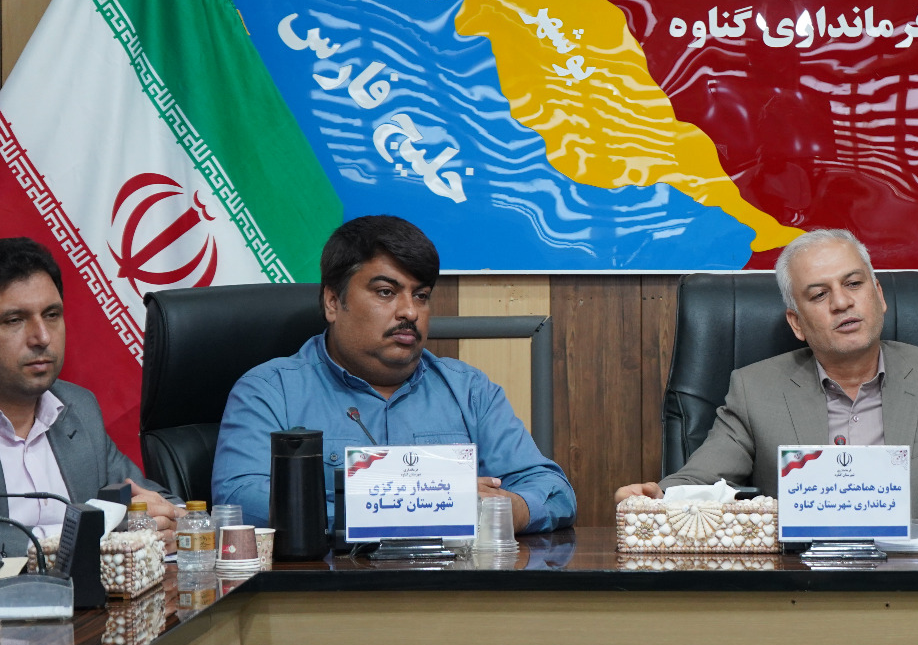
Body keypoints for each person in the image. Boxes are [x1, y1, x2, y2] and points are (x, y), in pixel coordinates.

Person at [615, 230, 918, 531]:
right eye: (819, 295)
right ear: (797, 323)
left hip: (914, 586)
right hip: (799, 590)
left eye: (853, 284)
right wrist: (653, 499)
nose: (841, 302)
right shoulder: (755, 390)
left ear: (879, 296)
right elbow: (697, 482)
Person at [213, 215, 575, 533]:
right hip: (329, 584)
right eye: (386, 292)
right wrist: (409, 504)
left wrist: (507, 510)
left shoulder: (470, 391)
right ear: (333, 302)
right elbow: (239, 500)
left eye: (421, 296)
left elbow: (553, 491)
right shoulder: (270, 391)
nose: (410, 312)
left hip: (450, 584)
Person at [0, 238, 181, 556]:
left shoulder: (77, 408)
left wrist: (165, 518)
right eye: (15, 320)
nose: (42, 337)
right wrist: (101, 530)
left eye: (51, 315)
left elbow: (156, 500)